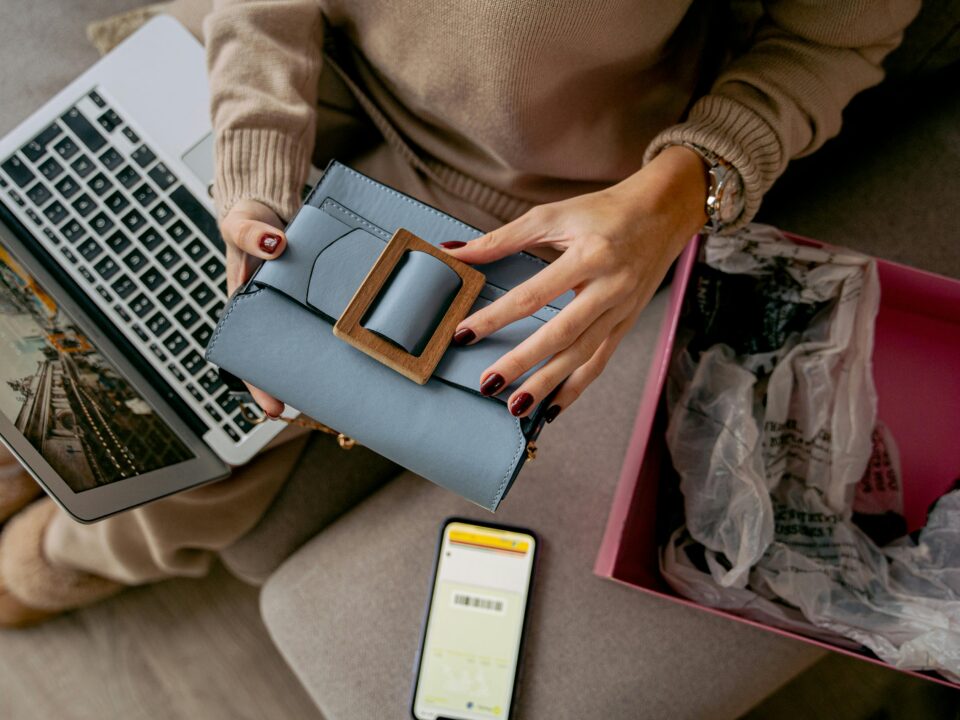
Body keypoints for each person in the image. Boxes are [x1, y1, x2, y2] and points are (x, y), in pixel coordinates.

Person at [0, 0, 920, 625]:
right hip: (293, 61)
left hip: (515, 194)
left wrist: (678, 194)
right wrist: (251, 166)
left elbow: (832, 39)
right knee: (74, 269)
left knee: (226, 420)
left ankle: (78, 546)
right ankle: (26, 452)